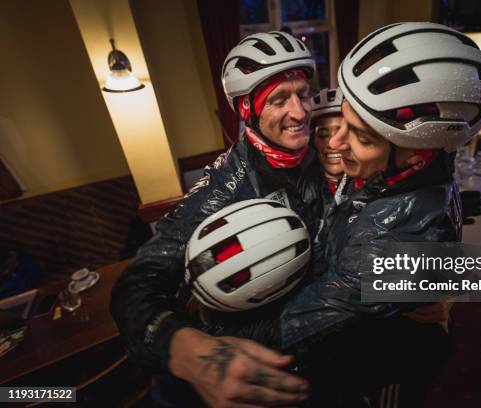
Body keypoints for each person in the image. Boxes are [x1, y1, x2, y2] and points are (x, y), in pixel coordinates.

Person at [200, 22, 481, 407]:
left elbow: (303, 323)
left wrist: (212, 334)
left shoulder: (387, 246)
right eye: (341, 122)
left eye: (362, 137)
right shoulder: (417, 161)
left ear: (416, 152)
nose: (337, 144)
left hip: (390, 362)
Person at [110, 31, 324, 407]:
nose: (300, 111)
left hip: (327, 330)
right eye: (279, 99)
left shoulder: (327, 147)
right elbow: (135, 285)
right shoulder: (222, 189)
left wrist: (431, 283)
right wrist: (187, 350)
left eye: (303, 94)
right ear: (247, 110)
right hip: (267, 362)